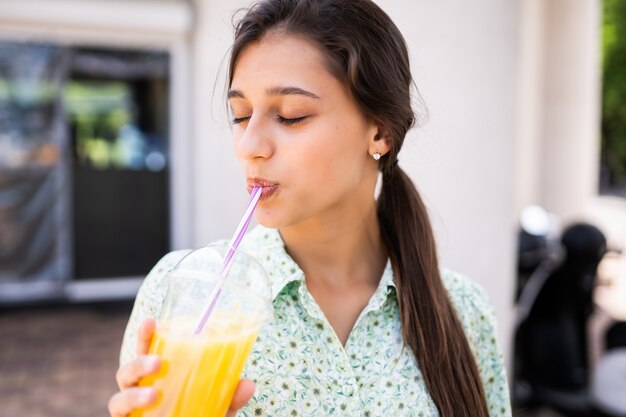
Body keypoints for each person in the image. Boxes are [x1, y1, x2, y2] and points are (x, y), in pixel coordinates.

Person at [108, 0, 512, 416]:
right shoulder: (181, 292)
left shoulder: (462, 310)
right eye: (241, 115)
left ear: (381, 132)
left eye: (290, 116)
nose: (250, 147)